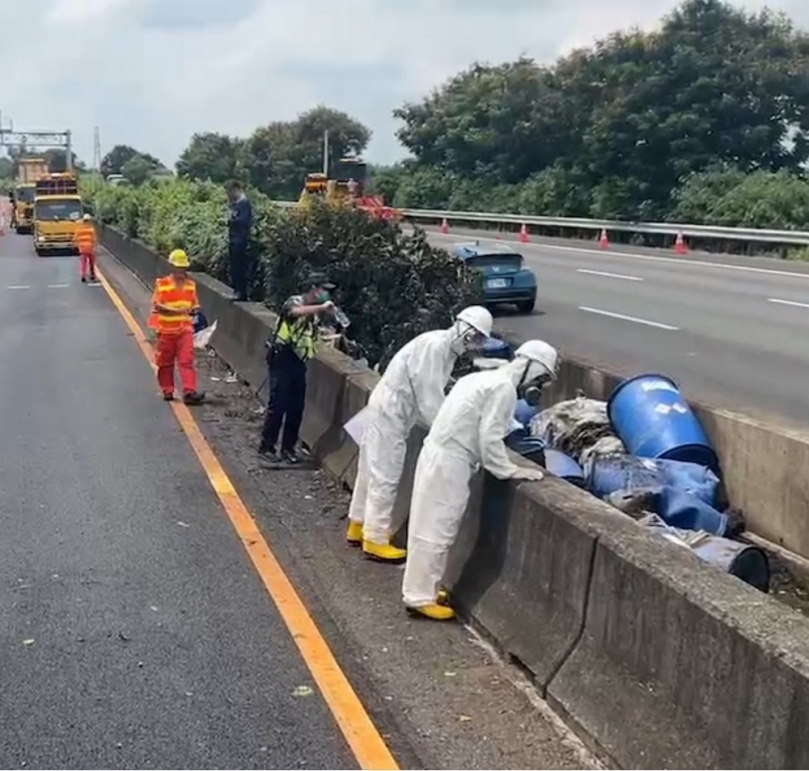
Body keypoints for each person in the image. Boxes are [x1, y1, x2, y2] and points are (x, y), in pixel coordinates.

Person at [401, 340, 559, 621]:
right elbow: (490, 437)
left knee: (424, 524)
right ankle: (419, 597)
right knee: (438, 528)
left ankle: (422, 588)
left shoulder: (482, 378)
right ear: (533, 367)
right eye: (541, 378)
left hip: (436, 453)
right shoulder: (504, 389)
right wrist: (509, 470)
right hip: (451, 462)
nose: (538, 386)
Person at [346, 306, 494, 562]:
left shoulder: (441, 347)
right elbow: (430, 400)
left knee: (369, 470)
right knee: (385, 475)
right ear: (465, 330)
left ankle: (357, 525)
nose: (475, 344)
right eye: (475, 337)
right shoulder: (436, 348)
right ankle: (375, 538)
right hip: (392, 411)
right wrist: (452, 434)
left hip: (385, 406)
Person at [258, 274, 336, 464]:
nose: (325, 294)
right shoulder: (294, 301)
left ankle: (288, 448)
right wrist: (321, 308)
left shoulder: (317, 312)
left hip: (298, 361)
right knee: (278, 405)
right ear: (313, 288)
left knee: (296, 407)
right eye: (323, 289)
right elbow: (294, 313)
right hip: (281, 357)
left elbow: (314, 332)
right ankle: (267, 446)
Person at [147, 249, 206, 405]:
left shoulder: (190, 285)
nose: (181, 270)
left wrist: (195, 310)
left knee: (186, 360)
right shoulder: (162, 284)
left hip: (185, 330)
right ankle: (167, 390)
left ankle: (189, 392)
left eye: (183, 267)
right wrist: (177, 311)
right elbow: (157, 305)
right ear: (172, 267)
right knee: (165, 363)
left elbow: (195, 304)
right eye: (178, 267)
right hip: (166, 331)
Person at [225, 181, 253, 301]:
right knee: (234, 267)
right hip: (234, 239)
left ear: (235, 190)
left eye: (230, 192)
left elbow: (244, 221)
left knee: (240, 268)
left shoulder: (244, 204)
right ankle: (236, 290)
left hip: (240, 240)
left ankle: (241, 293)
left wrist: (232, 221)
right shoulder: (235, 205)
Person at [74, 213, 97, 282]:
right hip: (90, 248)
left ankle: (83, 275)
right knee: (91, 262)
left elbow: (75, 238)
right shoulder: (91, 229)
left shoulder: (79, 229)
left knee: (83, 263)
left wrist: (77, 245)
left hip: (82, 248)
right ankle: (92, 275)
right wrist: (94, 246)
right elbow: (94, 239)